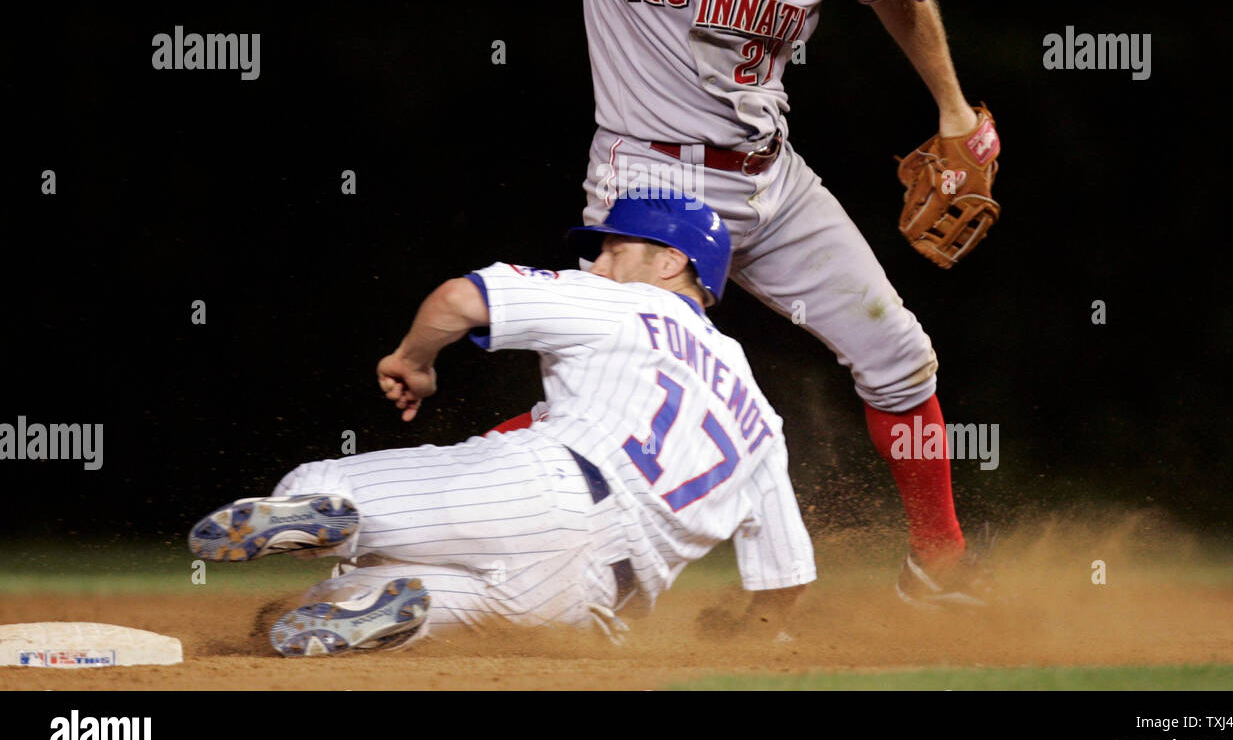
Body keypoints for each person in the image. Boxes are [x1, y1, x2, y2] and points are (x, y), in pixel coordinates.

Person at [465, 0, 998, 607]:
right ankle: (447, 503)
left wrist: (950, 108)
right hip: (650, 181)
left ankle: (936, 562)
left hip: (771, 179)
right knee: (614, 400)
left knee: (901, 357)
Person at [188, 195, 815, 657]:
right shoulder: (761, 416)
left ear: (670, 262)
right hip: (596, 598)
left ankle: (330, 513)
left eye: (612, 249)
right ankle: (380, 611)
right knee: (338, 605)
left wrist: (413, 362)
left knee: (318, 484)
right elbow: (785, 580)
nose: (597, 264)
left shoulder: (627, 300)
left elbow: (460, 299)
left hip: (550, 489)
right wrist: (742, 633)